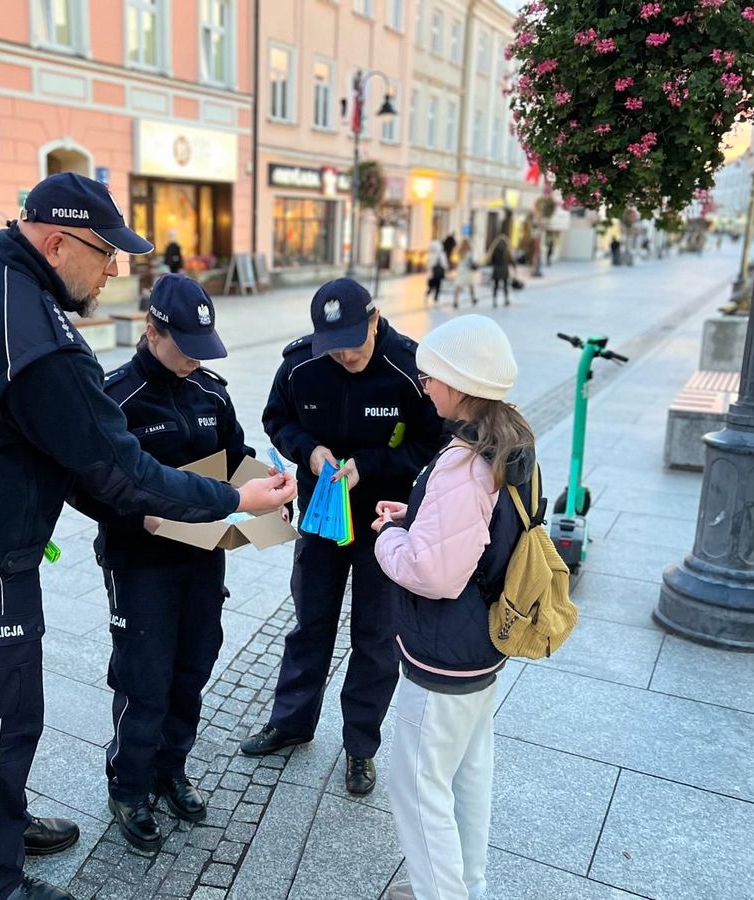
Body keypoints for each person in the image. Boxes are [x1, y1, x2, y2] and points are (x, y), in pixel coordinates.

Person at [0, 172, 296, 900]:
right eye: (105, 253)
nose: (114, 271)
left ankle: (1, 824)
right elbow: (122, 476)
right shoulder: (42, 344)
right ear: (55, 243)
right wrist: (235, 500)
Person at [239, 278, 445, 796]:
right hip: (322, 514)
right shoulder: (301, 365)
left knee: (376, 634)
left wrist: (368, 465)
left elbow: (432, 441)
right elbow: (276, 418)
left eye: (354, 345)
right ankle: (291, 721)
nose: (346, 357)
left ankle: (360, 745)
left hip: (382, 519)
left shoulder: (409, 368)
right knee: (310, 621)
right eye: (334, 349)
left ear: (374, 320)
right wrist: (307, 451)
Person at [89, 274, 265, 851]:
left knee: (192, 668)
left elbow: (236, 459)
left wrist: (269, 483)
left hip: (204, 555)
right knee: (144, 678)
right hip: (140, 564)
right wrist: (134, 516)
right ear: (152, 330)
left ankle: (171, 770)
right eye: (184, 347)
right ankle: (129, 786)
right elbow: (91, 483)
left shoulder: (211, 393)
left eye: (202, 348)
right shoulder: (117, 398)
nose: (194, 360)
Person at [371, 315, 535, 900]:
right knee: (468, 772)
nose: (423, 385)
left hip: (444, 651)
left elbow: (434, 575)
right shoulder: (511, 439)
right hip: (482, 642)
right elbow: (481, 533)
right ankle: (467, 885)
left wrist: (389, 538)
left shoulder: (463, 463)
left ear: (460, 383)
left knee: (418, 788)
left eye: (430, 376)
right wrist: (417, 516)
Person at [486, 230, 514, 308]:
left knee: (495, 286)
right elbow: (511, 260)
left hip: (496, 270)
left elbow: (490, 261)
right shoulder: (507, 250)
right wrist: (514, 267)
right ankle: (506, 300)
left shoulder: (494, 250)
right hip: (504, 270)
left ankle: (494, 301)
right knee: (505, 286)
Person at [452, 238, 478, 309]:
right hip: (468, 270)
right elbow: (473, 261)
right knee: (471, 285)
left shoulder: (459, 251)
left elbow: (455, 261)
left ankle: (455, 301)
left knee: (458, 285)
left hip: (461, 270)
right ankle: (473, 298)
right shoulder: (470, 252)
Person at [425, 237, 448, 304]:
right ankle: (436, 298)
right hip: (438, 273)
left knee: (431, 286)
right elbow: (444, 264)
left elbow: (427, 264)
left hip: (431, 274)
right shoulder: (441, 254)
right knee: (438, 286)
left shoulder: (430, 254)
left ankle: (427, 295)